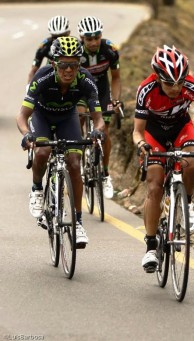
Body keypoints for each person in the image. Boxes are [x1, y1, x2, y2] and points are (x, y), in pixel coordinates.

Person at [133, 45, 194, 273]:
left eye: (179, 82)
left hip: (181, 128)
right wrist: (141, 144)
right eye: (169, 83)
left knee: (193, 160)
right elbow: (137, 131)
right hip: (153, 134)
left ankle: (186, 204)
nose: (175, 88)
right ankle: (151, 246)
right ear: (157, 77)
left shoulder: (193, 87)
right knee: (154, 186)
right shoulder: (146, 89)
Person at [17, 36, 105, 247]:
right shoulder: (43, 76)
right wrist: (27, 134)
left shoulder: (85, 80)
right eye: (64, 65)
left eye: (74, 65)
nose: (69, 70)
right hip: (42, 116)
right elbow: (22, 116)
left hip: (67, 118)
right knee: (43, 151)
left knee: (75, 163)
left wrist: (98, 131)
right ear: (54, 63)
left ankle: (78, 222)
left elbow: (98, 119)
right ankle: (37, 188)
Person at [76, 16, 123, 199]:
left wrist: (116, 100)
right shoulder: (76, 53)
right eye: (89, 39)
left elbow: (116, 78)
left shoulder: (110, 50)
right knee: (79, 119)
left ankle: (104, 174)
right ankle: (78, 160)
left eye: (97, 37)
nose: (94, 42)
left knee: (104, 134)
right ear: (82, 38)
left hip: (102, 92)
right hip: (81, 94)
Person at [27, 15, 70, 83]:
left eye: (62, 36)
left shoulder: (77, 45)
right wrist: (28, 87)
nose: (59, 40)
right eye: (55, 37)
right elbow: (33, 71)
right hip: (50, 78)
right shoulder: (45, 46)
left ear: (68, 33)